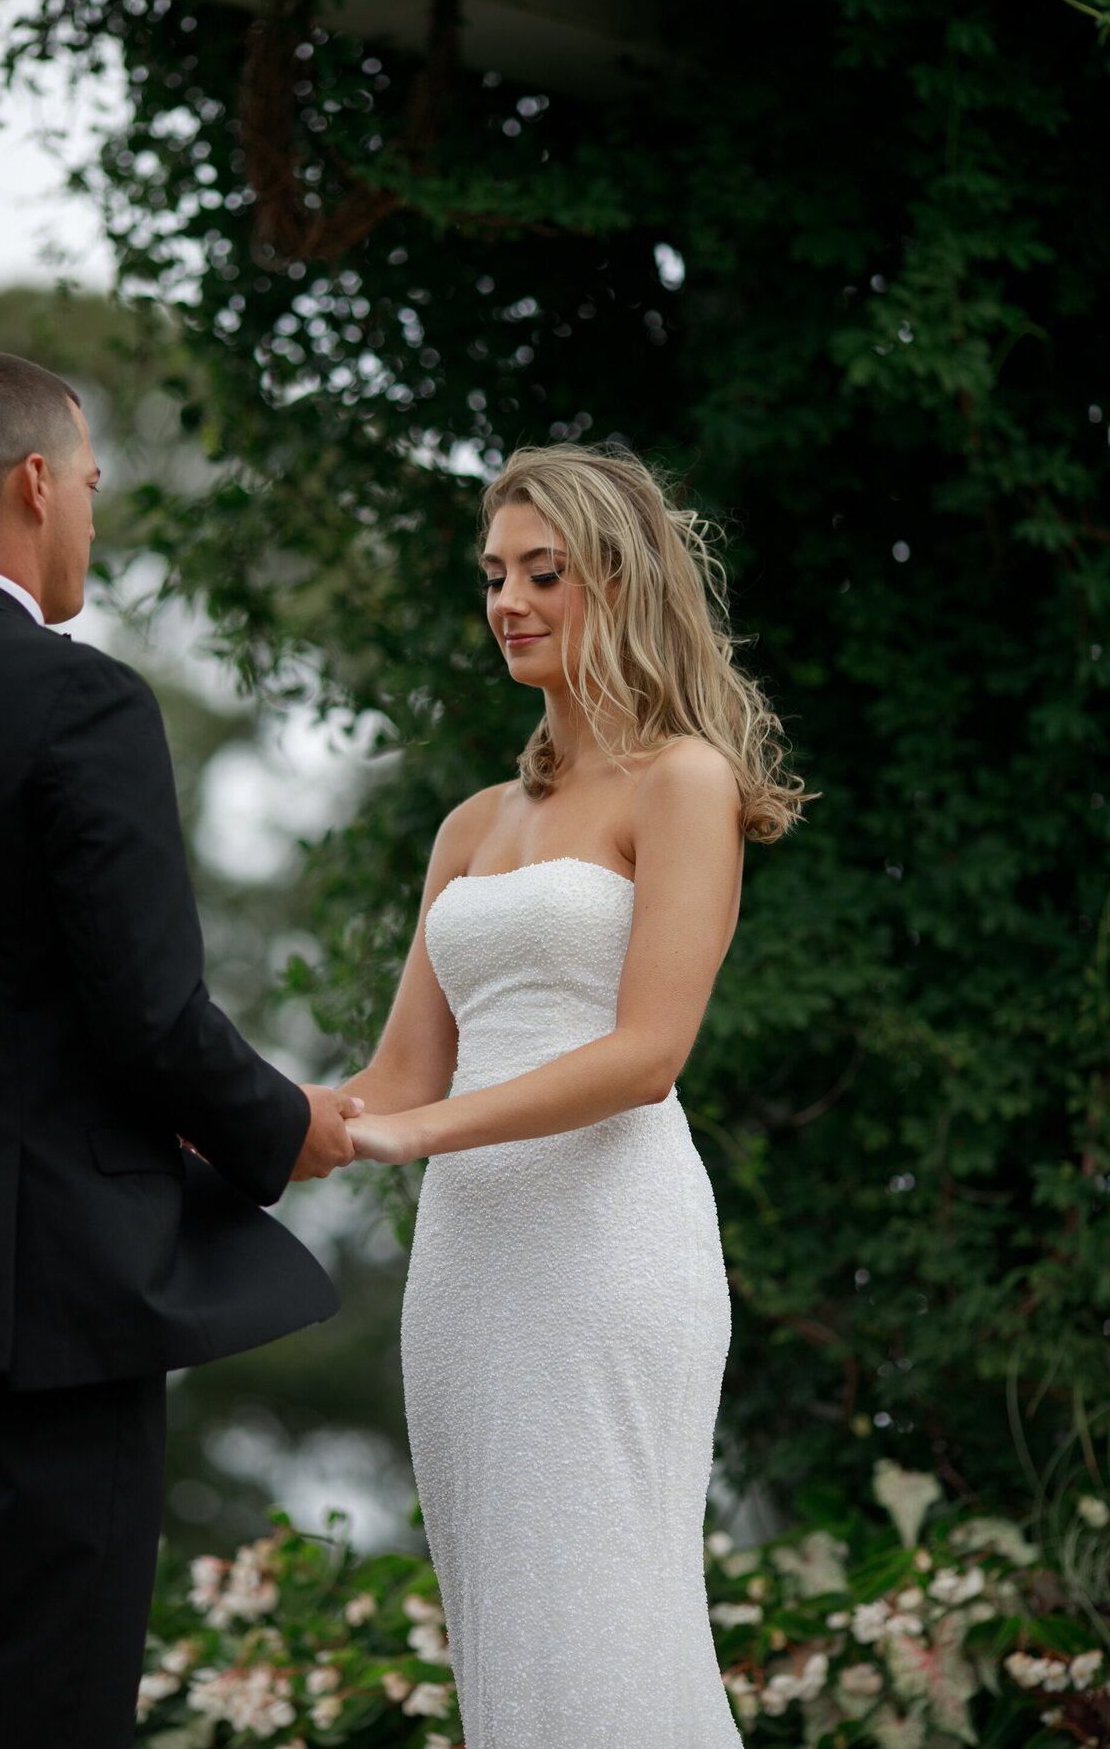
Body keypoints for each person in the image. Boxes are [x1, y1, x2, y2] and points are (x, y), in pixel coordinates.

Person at [0, 347, 362, 1749]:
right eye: (93, 486)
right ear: (36, 484)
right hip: (49, 1315)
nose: (93, 518)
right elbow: (150, 1013)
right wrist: (286, 1126)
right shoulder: (77, 703)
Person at [341, 443, 810, 1747]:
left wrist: (421, 1134)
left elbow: (648, 1053)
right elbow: (390, 1080)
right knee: (511, 1653)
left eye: (542, 572)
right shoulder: (470, 825)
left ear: (619, 580)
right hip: (468, 1276)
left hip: (608, 1250)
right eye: (493, 575)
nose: (507, 600)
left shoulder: (683, 783)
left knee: (609, 1632)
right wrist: (224, 1116)